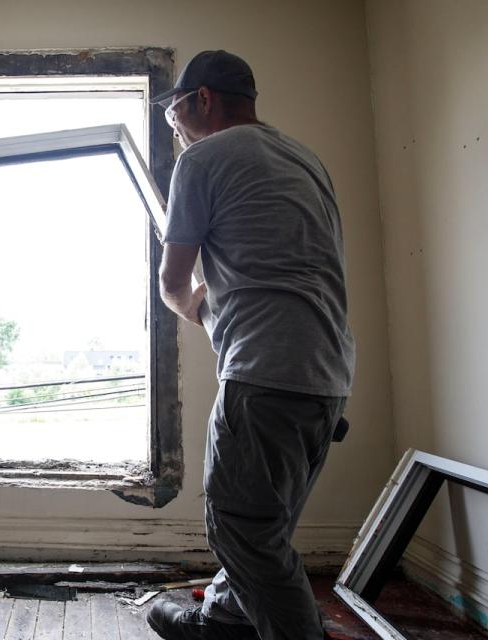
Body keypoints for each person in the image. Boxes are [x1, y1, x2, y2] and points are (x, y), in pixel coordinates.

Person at [146, 50, 355, 640]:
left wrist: (194, 309)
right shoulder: (303, 158)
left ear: (203, 100)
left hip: (265, 373)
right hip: (328, 374)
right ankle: (227, 619)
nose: (177, 128)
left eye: (174, 115)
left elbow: (172, 281)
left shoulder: (203, 158)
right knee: (268, 524)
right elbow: (292, 265)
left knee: (240, 530)